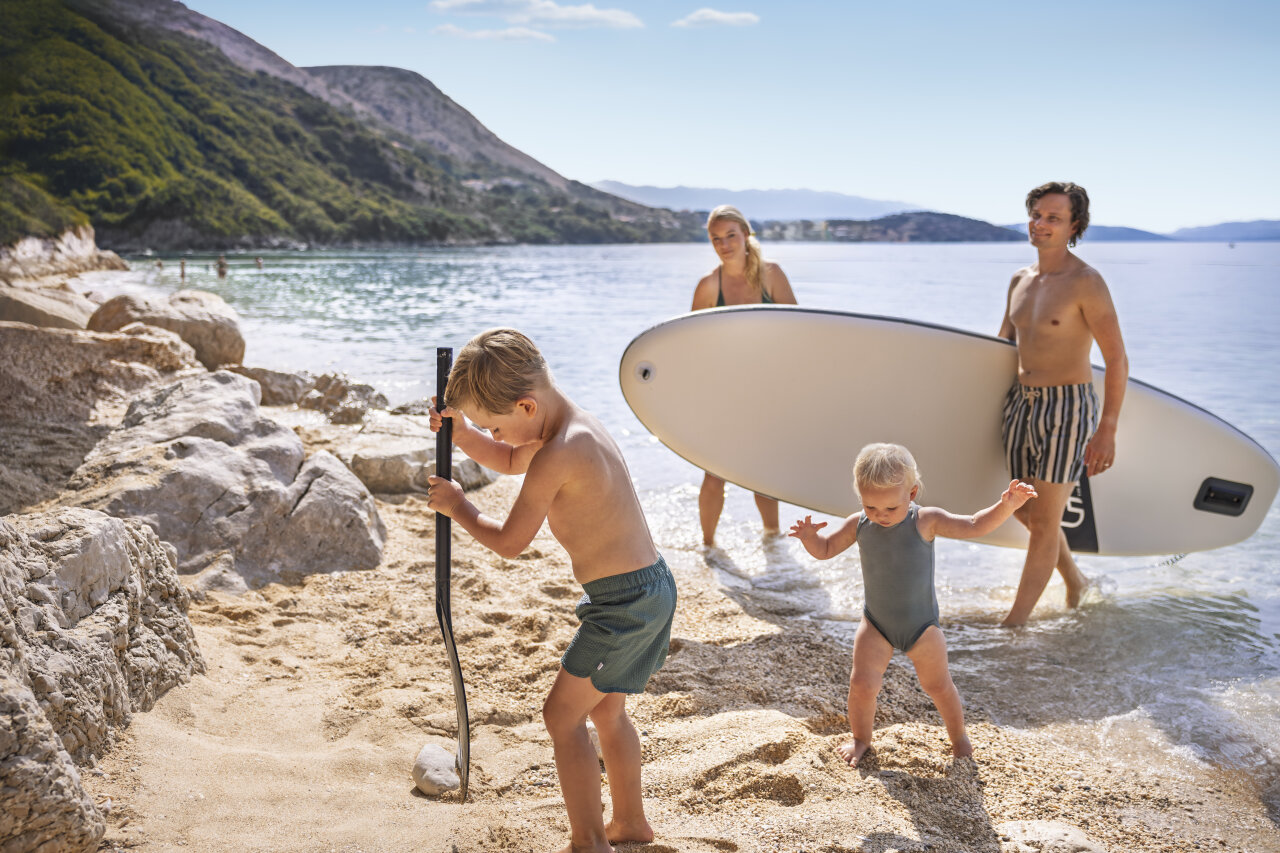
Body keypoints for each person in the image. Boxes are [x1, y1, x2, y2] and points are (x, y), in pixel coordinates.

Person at [426, 328, 676, 853]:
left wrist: (459, 507)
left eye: (495, 424)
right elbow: (514, 457)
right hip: (646, 589)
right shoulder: (572, 426)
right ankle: (630, 822)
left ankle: (588, 840)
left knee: (561, 715)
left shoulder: (561, 452)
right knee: (607, 711)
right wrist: (465, 434)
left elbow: (512, 542)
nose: (494, 435)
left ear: (525, 406)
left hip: (625, 606)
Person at [790, 443, 1038, 767]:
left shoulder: (926, 521)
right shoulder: (858, 524)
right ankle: (861, 738)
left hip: (922, 627)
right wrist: (810, 538)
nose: (880, 516)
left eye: (890, 509)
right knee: (862, 684)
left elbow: (975, 525)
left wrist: (1008, 505)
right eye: (870, 506)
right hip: (875, 624)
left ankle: (959, 738)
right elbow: (825, 550)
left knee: (938, 685)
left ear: (912, 493)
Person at [998, 182, 1128, 626]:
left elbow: (1115, 358)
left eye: (1053, 217)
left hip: (1068, 407)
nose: (1040, 224)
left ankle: (1013, 626)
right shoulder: (1019, 280)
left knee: (1046, 520)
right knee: (1027, 511)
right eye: (1036, 214)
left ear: (1075, 225)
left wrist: (1106, 428)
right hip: (1021, 403)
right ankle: (1074, 579)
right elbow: (1000, 347)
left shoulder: (1086, 282)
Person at [691, 205, 799, 545]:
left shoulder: (772, 276)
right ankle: (708, 547)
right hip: (724, 391)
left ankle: (773, 541)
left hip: (767, 389)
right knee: (714, 472)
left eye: (730, 236)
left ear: (746, 234)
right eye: (716, 239)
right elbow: (689, 344)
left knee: (762, 472)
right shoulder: (709, 286)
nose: (724, 245)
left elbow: (799, 332)